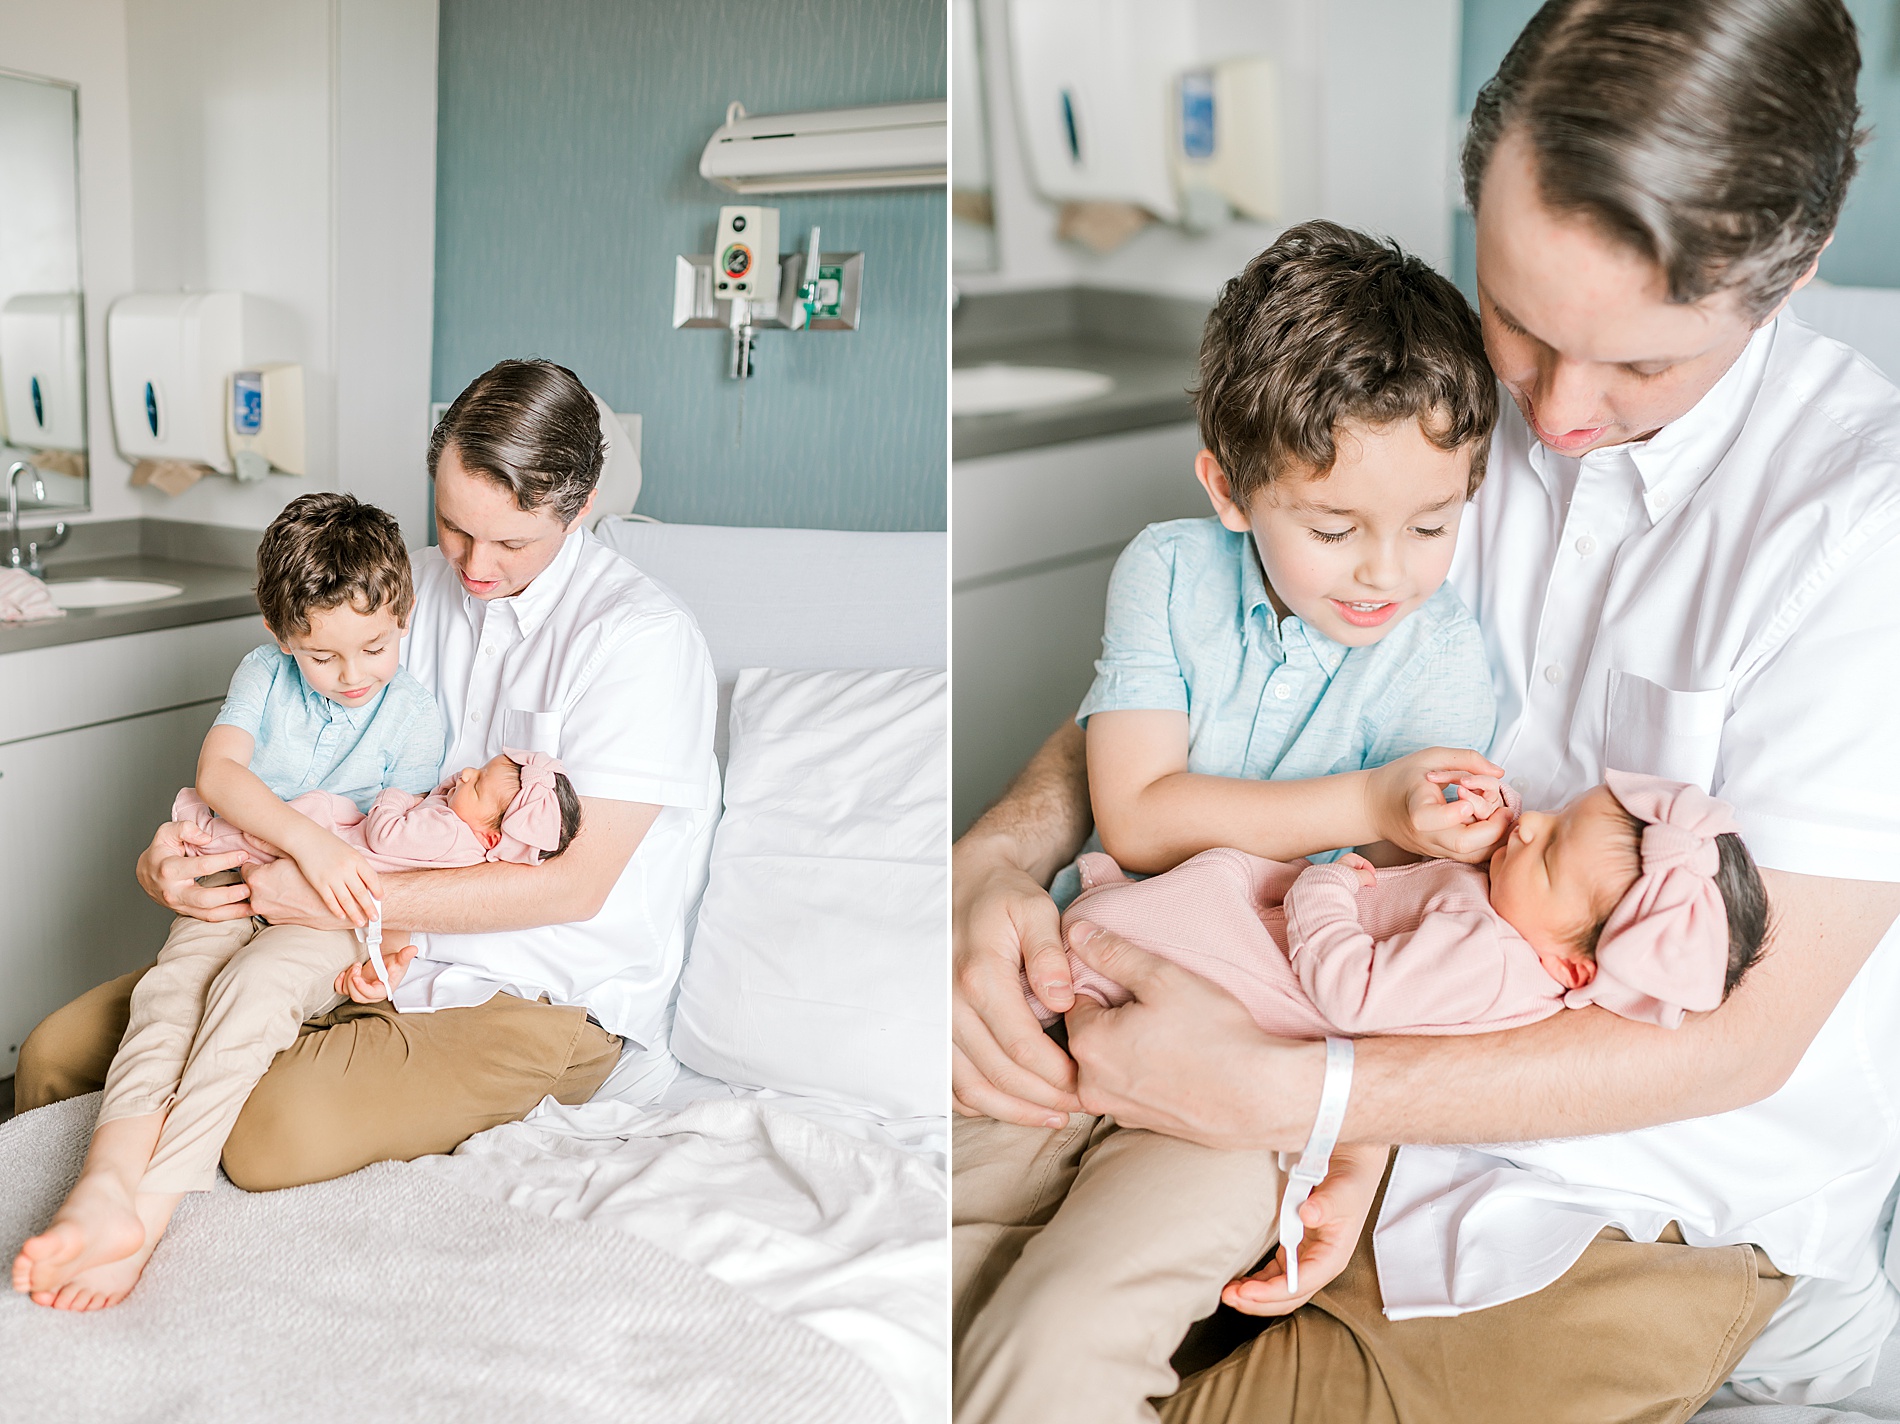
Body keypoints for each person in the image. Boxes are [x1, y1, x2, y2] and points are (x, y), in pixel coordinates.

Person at [952, 1, 1900, 1420]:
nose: (1562, 415)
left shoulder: (1856, 529)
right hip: (1311, 1042)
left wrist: (1314, 1102)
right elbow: (1204, 661)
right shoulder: (1433, 400)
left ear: (1797, 265)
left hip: (1638, 1182)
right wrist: (998, 853)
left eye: (1643, 366)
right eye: (1521, 321)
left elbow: (1744, 1040)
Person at [955, 218, 1518, 1421]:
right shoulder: (1165, 571)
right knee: (915, 1274)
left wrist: (1436, 828)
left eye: (1431, 524)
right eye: (1332, 527)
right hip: (1068, 996)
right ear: (1226, 485)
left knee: (1058, 1340)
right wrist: (1372, 800)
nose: (1385, 573)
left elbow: (1372, 918)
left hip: (1242, 1079)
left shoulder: (1444, 653)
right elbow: (1142, 815)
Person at [14, 358, 718, 1226]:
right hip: (345, 942)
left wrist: (333, 896)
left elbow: (576, 885)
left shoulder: (640, 642)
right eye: (456, 527)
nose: (476, 564)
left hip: (534, 990)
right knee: (53, 1055)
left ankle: (132, 1215)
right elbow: (296, 773)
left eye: (511, 542)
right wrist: (185, 857)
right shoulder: (403, 594)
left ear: (581, 506)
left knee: (271, 1131)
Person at [12, 493, 449, 1309]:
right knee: (171, 993)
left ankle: (144, 1214)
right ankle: (103, 1183)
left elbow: (401, 843)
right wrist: (305, 838)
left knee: (249, 995)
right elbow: (219, 776)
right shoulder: (262, 675)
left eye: (375, 647)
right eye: (323, 657)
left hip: (328, 912)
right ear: (280, 634)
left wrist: (376, 932)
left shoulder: (417, 715)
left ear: (404, 614)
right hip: (236, 881)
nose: (353, 676)